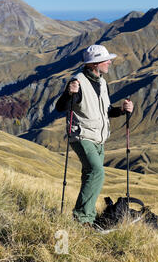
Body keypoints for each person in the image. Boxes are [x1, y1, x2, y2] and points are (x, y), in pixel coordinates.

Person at [56, 44, 133, 227]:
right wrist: (69, 93)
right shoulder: (78, 82)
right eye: (106, 60)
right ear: (94, 64)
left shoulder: (102, 82)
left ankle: (87, 215)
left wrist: (121, 110)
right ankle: (82, 218)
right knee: (97, 172)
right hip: (82, 136)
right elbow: (61, 107)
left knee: (90, 176)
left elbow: (106, 112)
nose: (109, 62)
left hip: (99, 139)